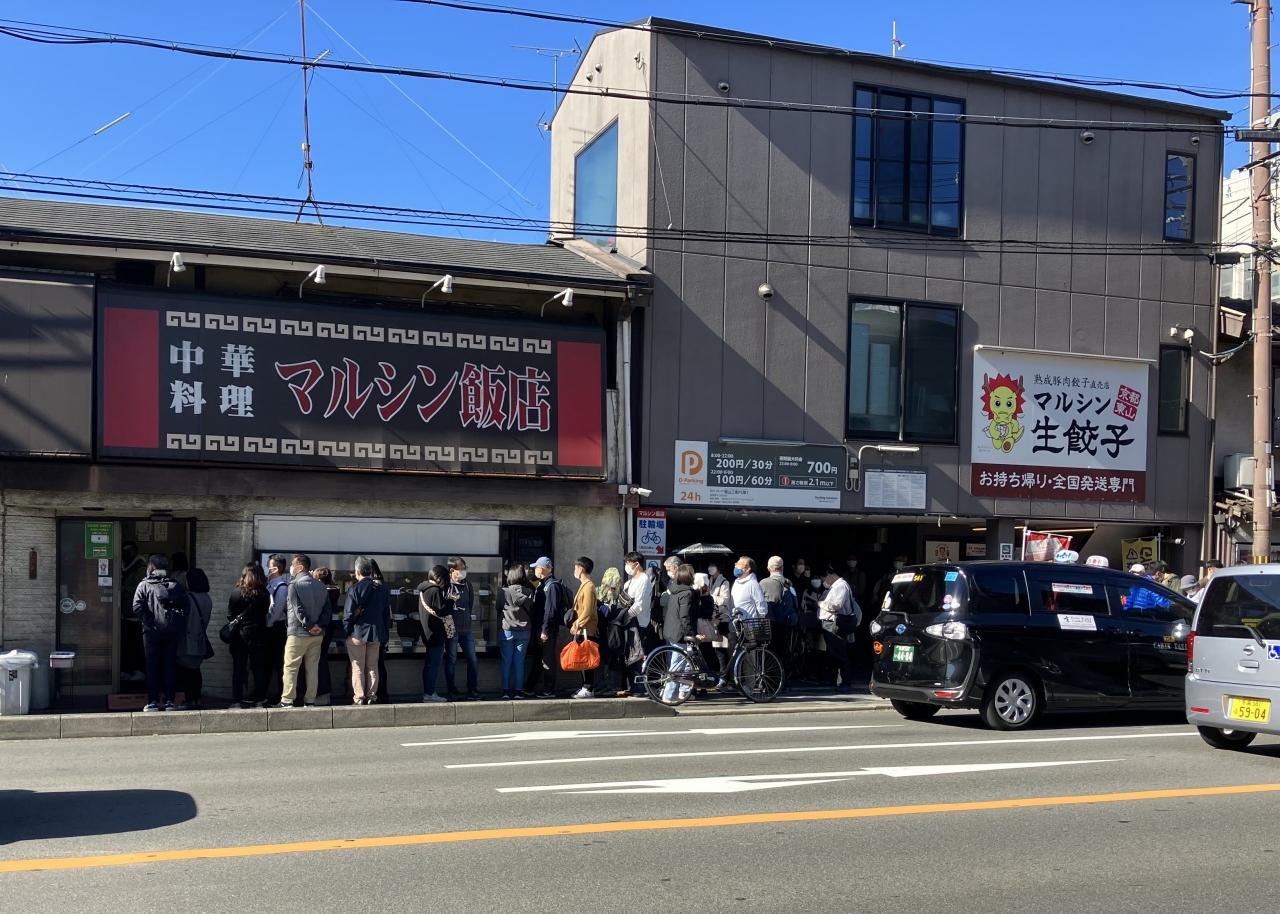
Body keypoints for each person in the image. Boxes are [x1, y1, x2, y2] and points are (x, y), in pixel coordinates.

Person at [132, 554, 189, 712]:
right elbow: (186, 607)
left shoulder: (144, 585)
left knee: (152, 666)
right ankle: (170, 701)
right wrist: (177, 624)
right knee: (170, 665)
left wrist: (150, 622)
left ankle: (152, 701)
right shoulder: (175, 585)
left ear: (151, 567)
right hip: (172, 632)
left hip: (151, 633)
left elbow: (137, 606)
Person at [277, 554, 330, 708]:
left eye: (292, 565)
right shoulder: (321, 586)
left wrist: (308, 625)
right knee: (312, 668)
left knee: (291, 667)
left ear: (300, 567)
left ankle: (287, 700)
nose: (291, 568)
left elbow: (297, 608)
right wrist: (319, 625)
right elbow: (327, 610)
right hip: (317, 634)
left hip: (297, 633)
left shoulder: (294, 584)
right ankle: (310, 700)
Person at [345, 555, 390, 705]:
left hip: (357, 633)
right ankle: (372, 696)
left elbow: (348, 614)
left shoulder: (354, 589)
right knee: (372, 666)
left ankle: (359, 697)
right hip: (376, 634)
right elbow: (386, 614)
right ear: (370, 571)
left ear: (357, 571)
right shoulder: (382, 589)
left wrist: (346, 631)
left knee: (357, 667)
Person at [227, 563, 270, 708]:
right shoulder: (264, 594)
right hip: (259, 635)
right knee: (258, 669)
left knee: (238, 669)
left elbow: (230, 615)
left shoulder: (236, 593)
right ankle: (259, 700)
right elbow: (266, 613)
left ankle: (236, 701)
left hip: (240, 636)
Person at [527, 557, 566, 698]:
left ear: (542, 569)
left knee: (547, 660)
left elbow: (551, 611)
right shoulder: (543, 585)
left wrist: (545, 630)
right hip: (541, 628)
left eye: (536, 568)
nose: (534, 570)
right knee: (539, 658)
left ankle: (549, 690)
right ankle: (529, 687)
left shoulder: (552, 586)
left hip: (547, 630)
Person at [818, 563, 859, 693]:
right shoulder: (836, 586)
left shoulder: (840, 586)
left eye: (824, 578)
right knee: (832, 653)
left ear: (829, 575)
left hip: (835, 623)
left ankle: (845, 681)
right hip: (829, 623)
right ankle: (833, 679)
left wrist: (820, 603)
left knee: (840, 653)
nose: (824, 582)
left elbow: (835, 605)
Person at [175, 567, 213, 709]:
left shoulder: (188, 598)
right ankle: (197, 700)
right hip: (200, 641)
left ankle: (189, 700)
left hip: (186, 641)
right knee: (195, 671)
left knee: (187, 673)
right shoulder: (207, 598)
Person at [446, 557, 481, 701]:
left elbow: (470, 605)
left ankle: (472, 689)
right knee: (451, 660)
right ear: (452, 570)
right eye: (461, 568)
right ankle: (451, 689)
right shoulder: (446, 585)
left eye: (465, 568)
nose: (464, 571)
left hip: (466, 628)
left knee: (473, 659)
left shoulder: (467, 585)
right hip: (452, 628)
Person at [660, 564, 696, 703]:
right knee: (677, 664)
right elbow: (685, 616)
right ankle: (668, 695)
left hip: (670, 630)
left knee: (686, 662)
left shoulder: (674, 590)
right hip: (680, 632)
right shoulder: (687, 593)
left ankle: (683, 691)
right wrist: (691, 634)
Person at [620, 551, 654, 696]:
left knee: (638, 655)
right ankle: (631, 687)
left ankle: (639, 688)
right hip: (629, 622)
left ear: (636, 564)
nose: (626, 566)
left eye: (628, 563)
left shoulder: (644, 580)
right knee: (630, 654)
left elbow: (639, 605)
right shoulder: (631, 580)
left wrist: (624, 616)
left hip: (639, 622)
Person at [499, 564, 535, 699]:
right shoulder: (529, 591)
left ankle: (505, 691)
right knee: (520, 662)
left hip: (507, 630)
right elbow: (532, 609)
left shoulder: (503, 592)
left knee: (506, 661)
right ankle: (519, 691)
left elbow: (498, 608)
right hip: (524, 631)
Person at [419, 565, 454, 702]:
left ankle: (428, 693)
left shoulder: (424, 589)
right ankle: (429, 693)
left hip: (427, 633)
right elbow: (443, 610)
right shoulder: (434, 590)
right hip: (436, 633)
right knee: (433, 665)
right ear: (440, 578)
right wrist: (451, 600)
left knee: (429, 664)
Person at [569, 557, 600, 699]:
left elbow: (587, 611)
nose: (574, 570)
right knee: (582, 659)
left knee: (586, 659)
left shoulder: (588, 586)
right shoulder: (585, 585)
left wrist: (577, 624)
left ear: (581, 569)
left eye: (575, 568)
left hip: (587, 629)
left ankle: (588, 687)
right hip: (583, 628)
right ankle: (585, 687)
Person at [263, 554, 290, 707]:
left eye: (269, 565)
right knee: (267, 663)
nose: (267, 568)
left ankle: (280, 695)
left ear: (276, 568)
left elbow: (277, 610)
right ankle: (265, 693)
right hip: (271, 628)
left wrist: (267, 624)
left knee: (279, 663)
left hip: (276, 628)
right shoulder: (269, 584)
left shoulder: (281, 586)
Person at [596, 566, 625, 696]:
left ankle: (612, 685)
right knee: (603, 658)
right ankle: (602, 685)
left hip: (613, 631)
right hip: (603, 630)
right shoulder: (598, 591)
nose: (613, 585)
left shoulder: (620, 594)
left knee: (613, 658)